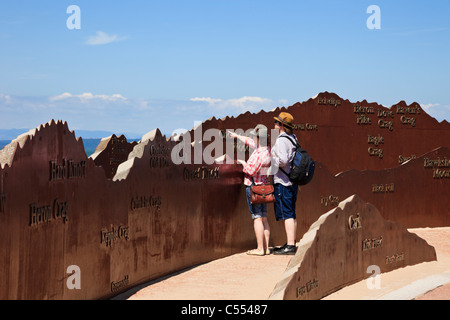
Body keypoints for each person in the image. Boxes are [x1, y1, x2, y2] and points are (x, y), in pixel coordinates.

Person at [229, 124, 271, 256]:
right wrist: (237, 136)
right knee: (264, 218)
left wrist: (243, 163)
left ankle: (260, 249)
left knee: (257, 218)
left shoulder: (259, 154)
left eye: (255, 136)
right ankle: (267, 247)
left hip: (254, 187)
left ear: (259, 138)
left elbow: (250, 170)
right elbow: (250, 141)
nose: (253, 137)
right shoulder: (267, 150)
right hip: (264, 187)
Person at [271, 112, 299, 255]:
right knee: (291, 213)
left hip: (283, 181)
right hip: (292, 182)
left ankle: (290, 246)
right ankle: (291, 242)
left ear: (281, 125)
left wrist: (271, 158)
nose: (274, 125)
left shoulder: (281, 140)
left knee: (287, 214)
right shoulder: (293, 138)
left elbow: (283, 161)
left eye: (276, 123)